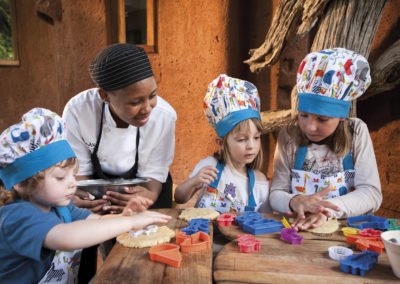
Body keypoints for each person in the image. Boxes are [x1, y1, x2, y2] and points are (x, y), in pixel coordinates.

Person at [0, 108, 171, 283]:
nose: (72, 183)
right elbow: (67, 237)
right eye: (60, 177)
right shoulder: (17, 217)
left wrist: (125, 216)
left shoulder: (61, 209)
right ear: (21, 183)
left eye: (73, 175)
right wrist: (130, 222)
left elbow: (95, 221)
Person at [269, 48, 382, 230]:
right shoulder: (289, 135)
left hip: (344, 230)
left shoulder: (357, 132)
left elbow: (371, 194)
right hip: (299, 229)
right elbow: (276, 194)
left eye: (322, 119)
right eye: (304, 115)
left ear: (342, 117)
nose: (310, 127)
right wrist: (294, 201)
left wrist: (326, 211)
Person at [62, 43, 176, 214]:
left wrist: (148, 196)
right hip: (97, 191)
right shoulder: (79, 110)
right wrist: (84, 200)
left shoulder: (164, 116)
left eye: (152, 96)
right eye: (135, 102)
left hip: (148, 186)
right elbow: (80, 172)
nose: (147, 108)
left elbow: (155, 170)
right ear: (105, 96)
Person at [174, 74, 271, 213]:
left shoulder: (259, 181)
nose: (251, 145)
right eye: (242, 139)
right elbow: (179, 198)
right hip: (205, 234)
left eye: (256, 137)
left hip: (238, 236)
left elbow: (265, 219)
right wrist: (194, 181)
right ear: (221, 143)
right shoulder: (210, 166)